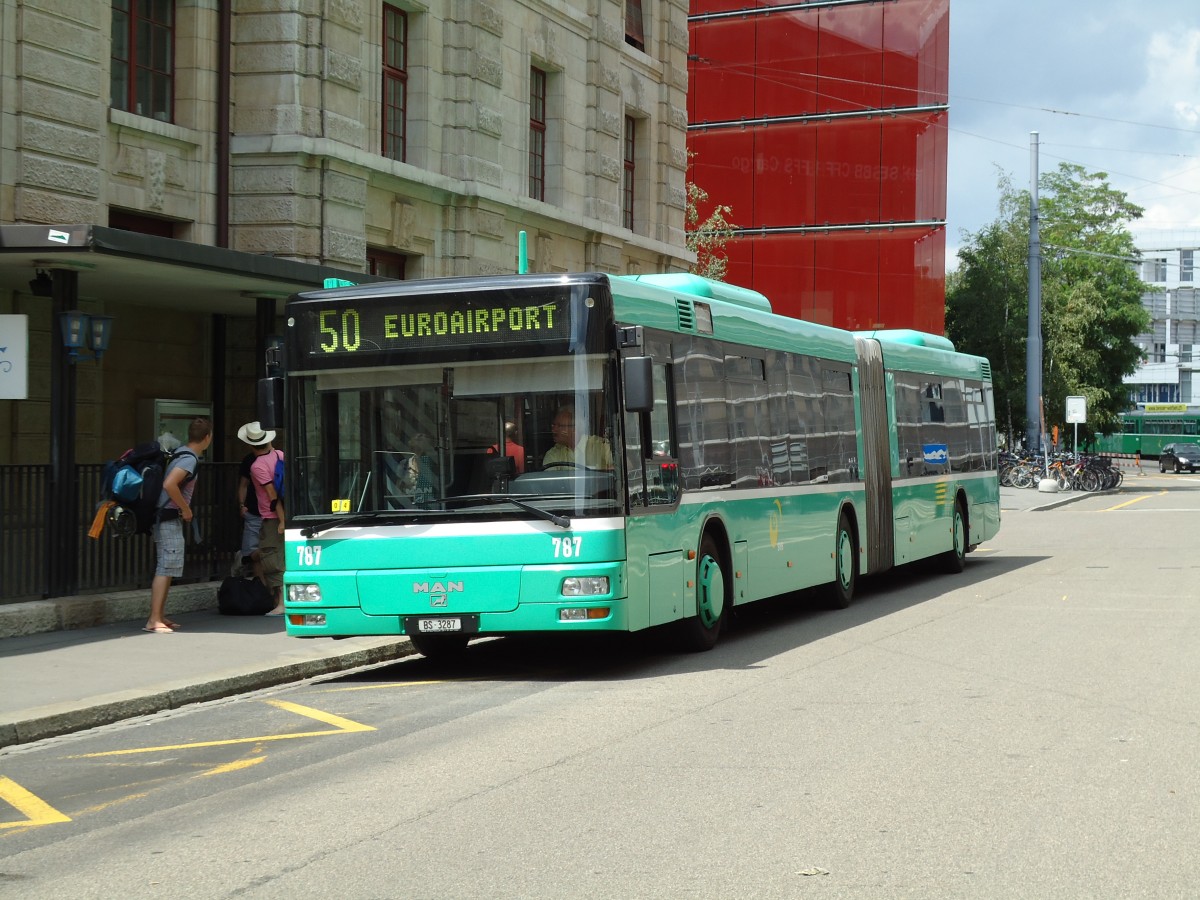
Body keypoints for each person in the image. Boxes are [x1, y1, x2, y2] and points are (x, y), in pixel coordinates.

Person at [144, 417, 212, 633]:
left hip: (165, 516)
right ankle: (154, 619)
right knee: (166, 565)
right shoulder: (189, 459)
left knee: (168, 565)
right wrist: (186, 508)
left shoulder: (181, 452)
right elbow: (170, 484)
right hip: (168, 516)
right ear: (207, 438)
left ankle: (160, 616)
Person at [249, 428, 286, 615]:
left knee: (273, 558)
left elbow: (272, 495)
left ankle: (281, 603)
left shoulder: (257, 466)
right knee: (281, 556)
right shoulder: (280, 454)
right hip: (286, 513)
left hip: (272, 518)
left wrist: (281, 520)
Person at [235, 421, 271, 582]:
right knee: (256, 552)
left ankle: (265, 590)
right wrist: (242, 505)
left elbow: (243, 485)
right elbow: (243, 485)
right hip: (264, 511)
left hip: (265, 512)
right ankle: (263, 590)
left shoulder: (253, 461)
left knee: (254, 552)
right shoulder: (278, 456)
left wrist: (242, 505)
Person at [543, 404, 613, 470]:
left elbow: (617, 470)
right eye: (553, 425)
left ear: (575, 428)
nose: (554, 430)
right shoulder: (553, 453)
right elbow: (549, 481)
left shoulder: (600, 445)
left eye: (559, 426)